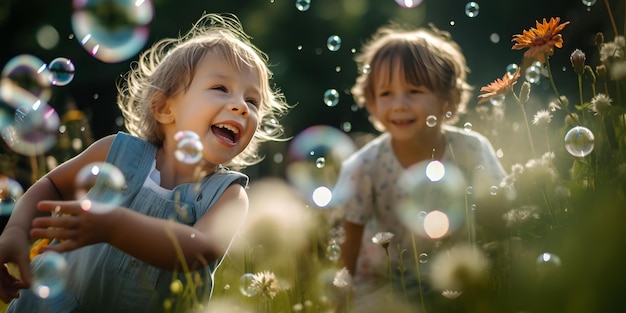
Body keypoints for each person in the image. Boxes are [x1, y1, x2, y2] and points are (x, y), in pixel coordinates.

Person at [0, 12, 290, 312]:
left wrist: (113, 227)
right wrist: (16, 232)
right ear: (165, 108)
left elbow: (195, 250)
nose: (241, 107)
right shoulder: (117, 152)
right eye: (220, 88)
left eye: (253, 102)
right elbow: (52, 187)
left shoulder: (228, 195)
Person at [332, 23, 506, 310]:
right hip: (384, 291)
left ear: (448, 99)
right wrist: (340, 304)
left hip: (459, 282)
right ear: (371, 102)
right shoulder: (364, 166)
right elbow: (347, 246)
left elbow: (499, 217)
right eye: (386, 94)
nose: (399, 104)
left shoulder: (471, 150)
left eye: (414, 90)